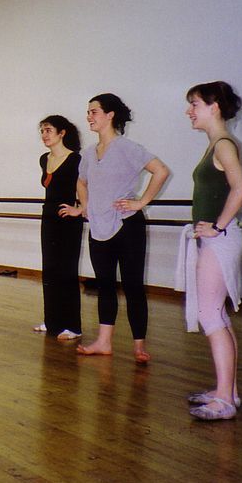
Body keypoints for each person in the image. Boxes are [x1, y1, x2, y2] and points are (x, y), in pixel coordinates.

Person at [60, 94, 169, 362]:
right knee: (105, 285)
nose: (89, 117)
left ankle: (139, 345)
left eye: (94, 112)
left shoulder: (127, 147)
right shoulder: (87, 154)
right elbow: (81, 182)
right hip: (99, 227)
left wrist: (141, 201)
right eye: (88, 112)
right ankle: (104, 341)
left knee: (132, 285)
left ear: (110, 115)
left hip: (127, 225)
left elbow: (161, 171)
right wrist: (85, 207)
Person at [176, 81, 242, 421]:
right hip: (215, 238)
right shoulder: (215, 145)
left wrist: (217, 227)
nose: (190, 111)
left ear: (214, 106)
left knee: (209, 315)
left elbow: (240, 189)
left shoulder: (223, 145)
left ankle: (224, 400)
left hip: (221, 239)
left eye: (195, 104)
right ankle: (227, 390)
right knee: (216, 313)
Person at [34, 115, 84, 340]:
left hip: (68, 219)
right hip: (49, 216)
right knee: (50, 269)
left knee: (66, 271)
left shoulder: (76, 160)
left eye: (48, 130)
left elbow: (84, 187)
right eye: (42, 131)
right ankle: (52, 320)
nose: (44, 135)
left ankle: (72, 326)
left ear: (62, 133)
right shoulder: (44, 159)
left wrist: (80, 209)